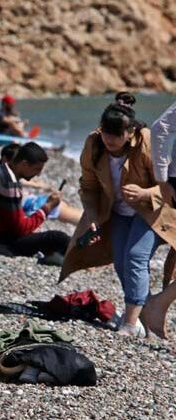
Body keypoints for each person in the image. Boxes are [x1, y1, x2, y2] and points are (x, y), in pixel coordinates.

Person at [60, 95, 176, 337]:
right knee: (122, 263)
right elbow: (89, 186)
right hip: (117, 212)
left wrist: (145, 192)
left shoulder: (146, 141)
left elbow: (166, 185)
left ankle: (130, 323)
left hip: (152, 211)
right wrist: (92, 216)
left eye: (116, 135)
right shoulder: (94, 145)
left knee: (135, 257)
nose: (110, 140)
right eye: (106, 133)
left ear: (131, 132)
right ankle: (146, 311)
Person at [0, 142, 69, 265]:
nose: (38, 174)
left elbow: (15, 223)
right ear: (24, 164)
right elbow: (21, 229)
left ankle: (63, 257)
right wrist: (48, 207)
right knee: (57, 238)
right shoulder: (7, 183)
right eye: (37, 169)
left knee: (46, 238)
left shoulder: (1, 172)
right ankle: (79, 259)